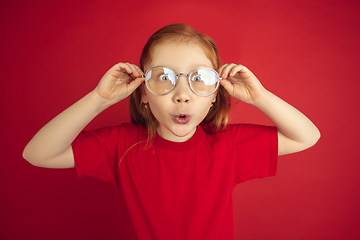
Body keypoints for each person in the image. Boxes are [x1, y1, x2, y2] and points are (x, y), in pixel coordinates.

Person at [23, 23, 320, 239]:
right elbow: (38, 154)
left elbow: (307, 136)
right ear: (143, 92)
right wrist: (98, 99)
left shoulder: (230, 146)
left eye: (199, 78)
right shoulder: (120, 145)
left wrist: (259, 97)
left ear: (214, 93)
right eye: (163, 77)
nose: (182, 94)